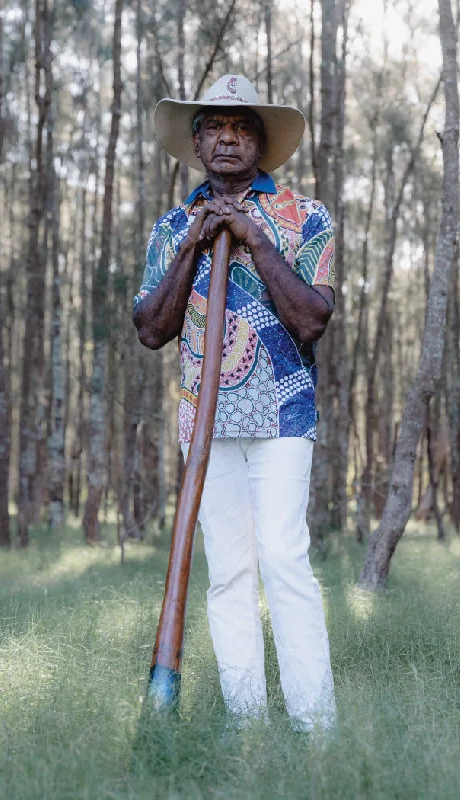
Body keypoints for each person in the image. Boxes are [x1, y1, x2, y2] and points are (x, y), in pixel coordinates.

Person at [133, 74, 336, 733]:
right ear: (195, 143)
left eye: (241, 126)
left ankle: (314, 728)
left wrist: (251, 236)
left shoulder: (307, 217)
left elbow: (311, 321)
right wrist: (195, 243)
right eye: (213, 126)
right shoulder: (170, 227)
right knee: (227, 573)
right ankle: (245, 724)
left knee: (282, 558)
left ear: (262, 144)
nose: (226, 137)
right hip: (205, 420)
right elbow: (151, 329)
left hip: (283, 418)